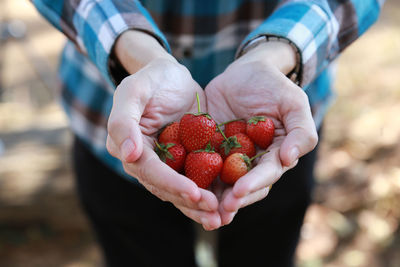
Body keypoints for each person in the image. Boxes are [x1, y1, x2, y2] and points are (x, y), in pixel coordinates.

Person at [32, 0, 383, 266]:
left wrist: (273, 55)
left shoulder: (248, 140)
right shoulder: (214, 144)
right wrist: (139, 53)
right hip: (121, 128)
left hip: (278, 126)